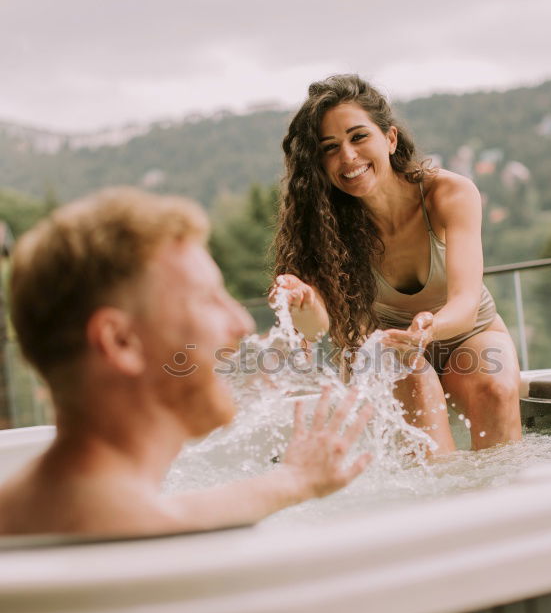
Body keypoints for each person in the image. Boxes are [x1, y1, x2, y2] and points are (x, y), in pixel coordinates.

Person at [0, 188, 372, 537]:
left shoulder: (39, 511)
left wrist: (293, 479)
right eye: (209, 299)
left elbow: (188, 511)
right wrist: (293, 481)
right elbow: (159, 520)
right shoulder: (137, 536)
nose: (241, 322)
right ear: (120, 341)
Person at [273, 74, 522, 454]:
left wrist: (429, 328)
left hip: (469, 335)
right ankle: (444, 506)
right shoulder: (323, 225)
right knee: (412, 377)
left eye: (358, 137)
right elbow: (316, 328)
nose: (348, 157)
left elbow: (466, 304)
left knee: (495, 387)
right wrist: (304, 303)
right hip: (388, 348)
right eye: (330, 148)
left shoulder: (449, 192)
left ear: (389, 139)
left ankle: (508, 503)